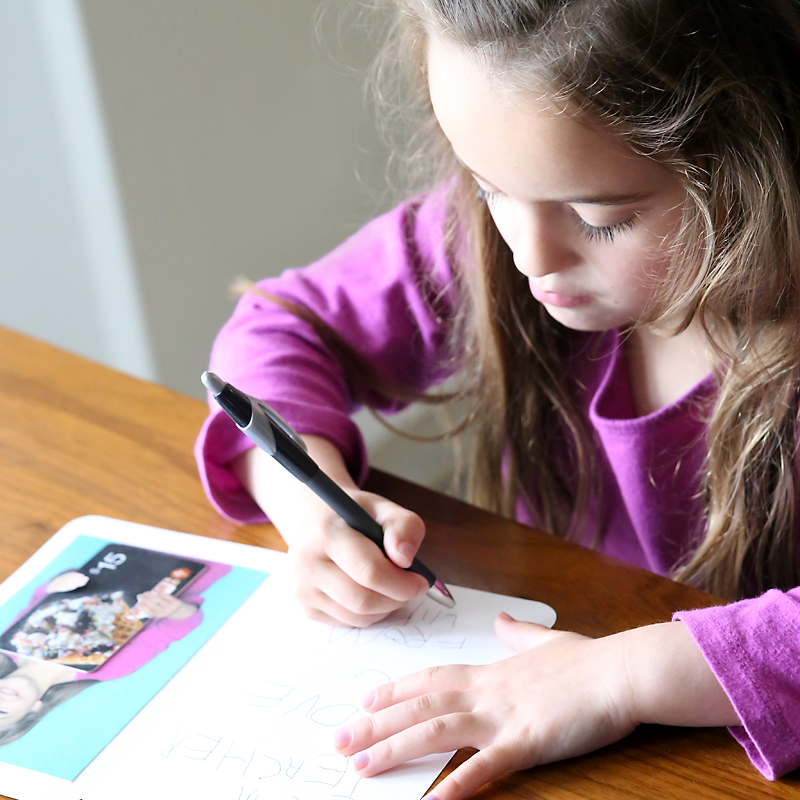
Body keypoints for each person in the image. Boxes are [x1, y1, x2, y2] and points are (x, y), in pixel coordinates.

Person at [195, 0, 800, 796]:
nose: (528, 256)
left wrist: (616, 678)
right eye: (487, 188)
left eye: (601, 219)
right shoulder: (499, 240)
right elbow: (279, 331)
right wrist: (309, 502)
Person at [0, 561, 229, 745]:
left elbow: (42, 596)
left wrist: (55, 585)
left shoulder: (12, 642)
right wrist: (175, 609)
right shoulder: (108, 670)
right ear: (33, 710)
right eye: (1, 712)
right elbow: (175, 628)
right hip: (192, 569)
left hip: (127, 553)